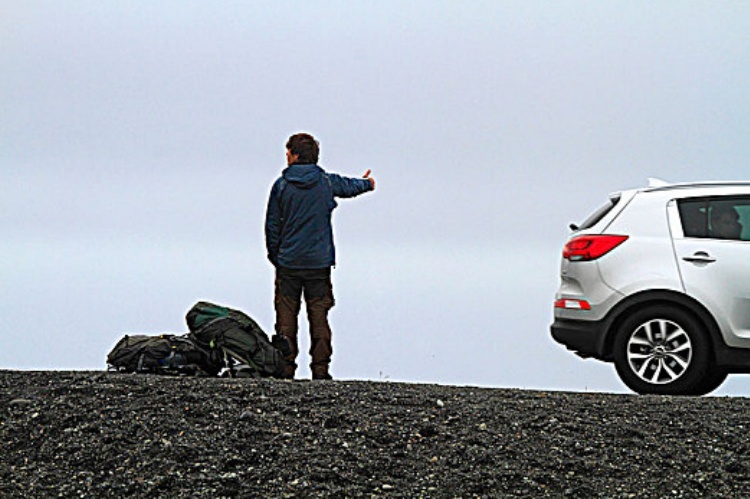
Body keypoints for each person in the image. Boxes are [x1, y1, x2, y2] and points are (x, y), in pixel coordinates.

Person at [265, 133, 375, 380]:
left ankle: (285, 369)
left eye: (288, 152)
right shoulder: (325, 182)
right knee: (319, 316)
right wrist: (367, 183)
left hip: (289, 264)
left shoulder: (281, 185)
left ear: (294, 155)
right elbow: (349, 186)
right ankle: (321, 370)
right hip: (319, 263)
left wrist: (277, 257)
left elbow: (272, 226)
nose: (286, 156)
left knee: (285, 317)